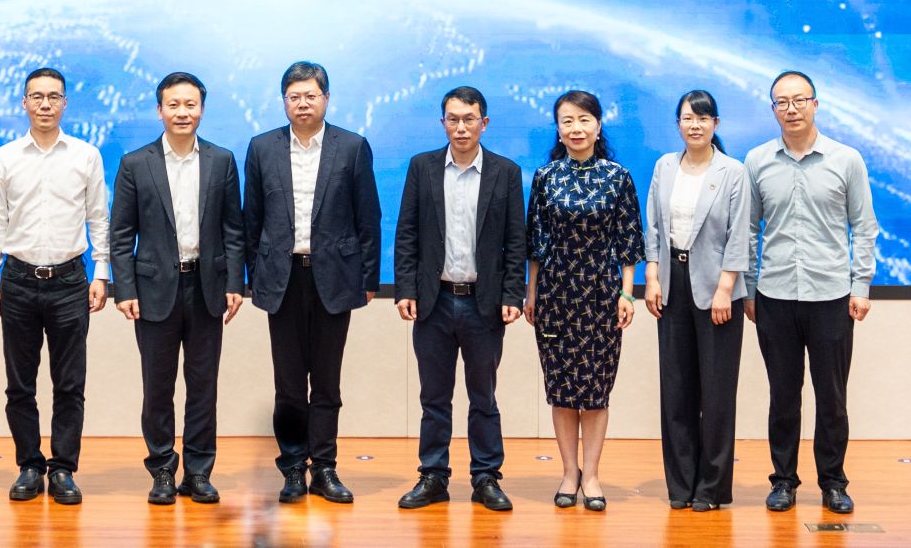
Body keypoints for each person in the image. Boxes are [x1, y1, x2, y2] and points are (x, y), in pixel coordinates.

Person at [242, 60, 382, 505]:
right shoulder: (262, 147)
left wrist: (369, 279)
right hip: (281, 280)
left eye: (310, 95)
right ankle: (292, 468)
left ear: (326, 98)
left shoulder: (352, 147)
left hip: (334, 279)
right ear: (284, 101)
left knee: (326, 383)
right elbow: (251, 220)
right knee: (287, 386)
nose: (302, 103)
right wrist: (254, 276)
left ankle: (324, 468)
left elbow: (368, 217)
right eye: (294, 96)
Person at [744, 70, 879, 516]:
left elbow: (864, 227)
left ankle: (833, 483)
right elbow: (748, 229)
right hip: (775, 295)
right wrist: (749, 289)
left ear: (815, 104)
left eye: (799, 100)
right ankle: (783, 481)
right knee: (783, 397)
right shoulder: (758, 161)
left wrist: (861, 285)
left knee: (832, 398)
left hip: (831, 296)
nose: (792, 109)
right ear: (773, 110)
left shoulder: (846, 159)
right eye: (782, 102)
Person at [109, 72, 246, 506]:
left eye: (190, 104)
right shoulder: (136, 163)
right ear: (160, 110)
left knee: (203, 385)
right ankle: (163, 470)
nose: (182, 112)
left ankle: (199, 472)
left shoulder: (222, 160)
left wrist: (235, 282)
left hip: (207, 288)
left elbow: (233, 229)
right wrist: (124, 289)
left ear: (201, 109)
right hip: (153, 291)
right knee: (158, 387)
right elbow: (120, 234)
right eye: (174, 105)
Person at [392, 86, 526, 513]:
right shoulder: (423, 167)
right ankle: (433, 476)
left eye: (469, 119)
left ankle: (486, 477)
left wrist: (513, 294)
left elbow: (516, 241)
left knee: (483, 397)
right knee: (434, 398)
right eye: (453, 119)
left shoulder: (506, 172)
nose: (461, 127)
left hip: (483, 304)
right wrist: (405, 289)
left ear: (484, 123)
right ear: (443, 123)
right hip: (433, 302)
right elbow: (407, 232)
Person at [0, 67, 111, 504]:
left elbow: (99, 217)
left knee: (69, 383)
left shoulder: (86, 155)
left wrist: (101, 273)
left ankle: (63, 469)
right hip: (18, 280)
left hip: (70, 280)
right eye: (36, 96)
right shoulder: (5, 157)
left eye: (53, 96)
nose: (45, 104)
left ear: (65, 103)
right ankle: (28, 465)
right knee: (20, 384)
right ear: (24, 103)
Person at [525, 89, 642, 511]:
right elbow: (536, 243)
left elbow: (629, 240)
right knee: (561, 390)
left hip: (601, 295)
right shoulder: (545, 177)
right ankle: (568, 473)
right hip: (555, 294)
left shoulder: (618, 176)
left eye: (583, 119)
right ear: (558, 129)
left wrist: (627, 292)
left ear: (598, 125)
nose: (576, 128)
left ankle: (591, 475)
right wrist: (531, 293)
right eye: (567, 121)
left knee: (595, 391)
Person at [644, 89, 752, 512]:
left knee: (717, 392)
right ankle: (681, 484)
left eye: (703, 118)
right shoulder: (665, 166)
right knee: (676, 390)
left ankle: (711, 488)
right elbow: (653, 227)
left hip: (718, 289)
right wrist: (652, 276)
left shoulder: (732, 171)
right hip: (672, 284)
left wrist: (726, 288)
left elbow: (740, 235)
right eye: (688, 118)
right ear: (678, 123)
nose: (695, 125)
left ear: (715, 124)